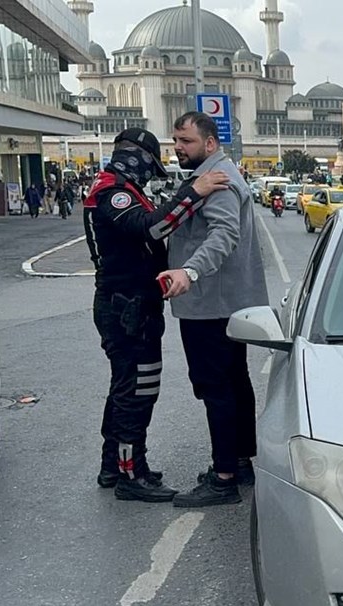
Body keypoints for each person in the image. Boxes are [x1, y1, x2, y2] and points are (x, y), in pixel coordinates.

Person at [85, 127, 230, 502]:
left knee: (126, 386)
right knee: (136, 389)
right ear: (137, 157)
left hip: (132, 302)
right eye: (151, 166)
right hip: (125, 305)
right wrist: (193, 193)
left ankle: (112, 465)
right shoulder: (112, 192)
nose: (151, 175)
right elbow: (150, 228)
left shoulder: (123, 188)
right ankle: (132, 474)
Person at [159, 112, 269, 508]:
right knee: (234, 383)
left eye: (185, 141)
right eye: (175, 140)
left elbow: (224, 234)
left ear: (209, 143)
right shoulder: (212, 175)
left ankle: (223, 477)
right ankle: (238, 462)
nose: (177, 148)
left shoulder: (217, 182)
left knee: (216, 387)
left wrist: (190, 270)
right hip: (224, 301)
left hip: (210, 303)